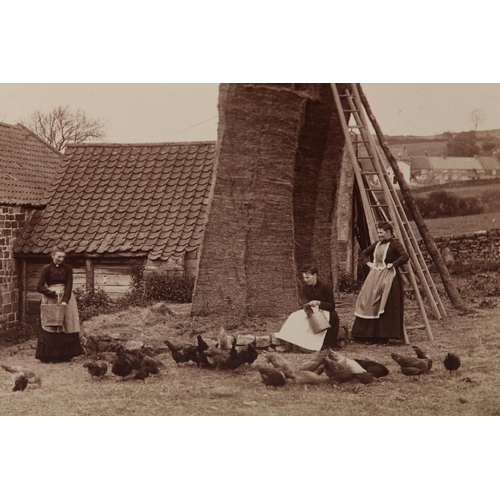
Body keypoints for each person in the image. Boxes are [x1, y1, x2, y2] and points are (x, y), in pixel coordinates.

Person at [351, 221, 409, 345]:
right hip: (374, 277)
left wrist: (392, 264)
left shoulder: (395, 245)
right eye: (378, 232)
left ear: (388, 232)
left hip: (389, 278)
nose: (379, 235)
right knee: (369, 303)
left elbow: (405, 256)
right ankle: (369, 335)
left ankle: (384, 337)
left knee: (386, 305)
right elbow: (363, 253)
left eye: (381, 233)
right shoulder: (377, 244)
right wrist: (368, 263)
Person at [35, 246, 84, 363]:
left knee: (67, 323)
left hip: (66, 299)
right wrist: (52, 293)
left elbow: (69, 285)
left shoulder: (68, 269)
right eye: (59, 256)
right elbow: (39, 286)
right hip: (51, 299)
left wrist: (64, 301)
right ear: (53, 256)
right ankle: (50, 355)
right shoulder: (46, 269)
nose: (61, 259)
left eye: (63, 257)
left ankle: (66, 355)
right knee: (51, 325)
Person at [276, 265, 340, 352]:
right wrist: (309, 311)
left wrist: (319, 303)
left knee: (322, 320)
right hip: (311, 311)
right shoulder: (304, 288)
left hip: (326, 311)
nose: (306, 280)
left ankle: (313, 345)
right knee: (294, 317)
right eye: (304, 278)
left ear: (315, 275)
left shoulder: (325, 287)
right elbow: (305, 303)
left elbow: (332, 306)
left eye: (308, 277)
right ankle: (292, 343)